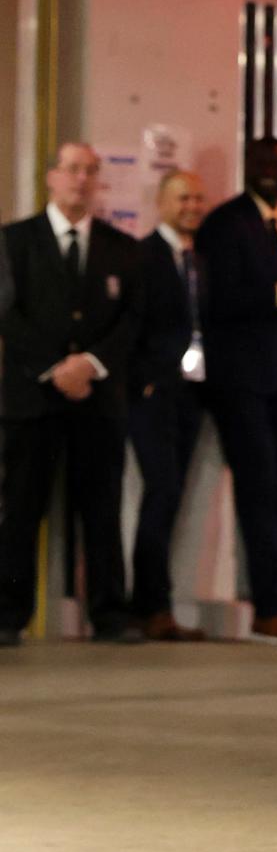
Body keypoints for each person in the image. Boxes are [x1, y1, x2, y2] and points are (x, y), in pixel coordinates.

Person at [0, 142, 142, 645]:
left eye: (90, 171)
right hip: (32, 399)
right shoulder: (15, 241)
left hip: (99, 401)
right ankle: (7, 615)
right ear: (51, 178)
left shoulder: (122, 248)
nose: (81, 179)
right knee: (20, 509)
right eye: (72, 170)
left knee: (101, 509)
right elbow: (7, 315)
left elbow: (133, 321)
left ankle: (110, 615)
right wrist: (54, 368)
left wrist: (91, 364)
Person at [196, 137, 277, 643]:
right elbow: (219, 299)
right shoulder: (223, 224)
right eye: (262, 162)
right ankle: (271, 607)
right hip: (238, 379)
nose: (272, 169)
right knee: (257, 490)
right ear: (246, 166)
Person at [127, 170, 209, 641]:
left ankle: (157, 605)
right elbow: (131, 327)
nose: (192, 206)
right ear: (161, 202)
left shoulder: (200, 258)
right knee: (160, 495)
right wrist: (146, 384)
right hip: (154, 395)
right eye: (183, 198)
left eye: (198, 198)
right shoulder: (143, 256)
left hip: (191, 394)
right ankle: (149, 606)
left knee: (173, 496)